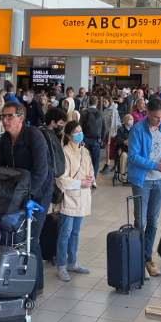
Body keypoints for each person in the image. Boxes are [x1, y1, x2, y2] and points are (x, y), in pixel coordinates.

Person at [0, 102, 52, 299]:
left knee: (31, 237)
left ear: (20, 118)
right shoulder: (4, 139)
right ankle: (30, 279)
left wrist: (31, 197)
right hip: (17, 194)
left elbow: (41, 171)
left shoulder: (34, 135)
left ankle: (34, 288)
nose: (5, 120)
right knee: (18, 236)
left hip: (39, 194)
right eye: (3, 116)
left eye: (9, 116)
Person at [126, 98, 161, 277]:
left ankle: (147, 258)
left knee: (153, 222)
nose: (159, 120)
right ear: (147, 113)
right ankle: (137, 257)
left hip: (158, 180)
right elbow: (133, 157)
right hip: (142, 181)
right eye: (156, 117)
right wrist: (154, 165)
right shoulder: (137, 130)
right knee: (141, 221)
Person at [55, 121, 94, 282]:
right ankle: (61, 265)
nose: (79, 134)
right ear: (69, 135)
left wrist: (91, 179)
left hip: (83, 197)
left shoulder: (84, 151)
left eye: (81, 131)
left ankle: (72, 262)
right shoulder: (64, 152)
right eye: (76, 132)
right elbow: (60, 179)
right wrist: (80, 183)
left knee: (76, 233)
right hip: (70, 198)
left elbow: (90, 168)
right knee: (65, 233)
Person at [79, 96, 107, 181]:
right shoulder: (100, 113)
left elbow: (79, 127)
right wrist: (101, 140)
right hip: (96, 141)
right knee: (95, 162)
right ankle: (93, 179)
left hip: (85, 140)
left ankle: (84, 178)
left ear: (88, 103)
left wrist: (81, 140)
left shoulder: (84, 113)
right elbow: (104, 129)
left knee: (84, 160)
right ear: (96, 103)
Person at [100, 95, 121, 175]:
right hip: (106, 132)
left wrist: (110, 136)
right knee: (108, 150)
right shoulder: (105, 110)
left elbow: (114, 124)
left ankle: (110, 164)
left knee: (111, 150)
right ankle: (109, 164)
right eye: (103, 101)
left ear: (110, 102)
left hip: (112, 133)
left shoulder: (113, 111)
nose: (104, 103)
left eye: (105, 101)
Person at [115, 114, 134, 182]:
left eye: (132, 119)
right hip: (123, 149)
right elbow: (117, 139)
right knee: (124, 156)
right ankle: (123, 175)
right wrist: (124, 141)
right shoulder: (120, 129)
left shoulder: (134, 129)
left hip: (133, 150)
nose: (132, 121)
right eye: (130, 119)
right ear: (125, 120)